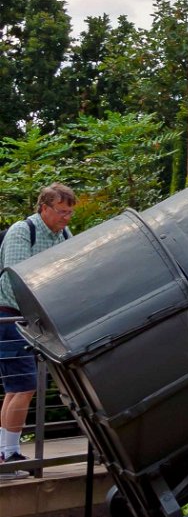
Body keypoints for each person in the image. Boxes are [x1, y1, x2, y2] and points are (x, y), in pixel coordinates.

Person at [0, 183, 76, 475]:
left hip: (33, 319)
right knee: (23, 386)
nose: (66, 219)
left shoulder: (64, 235)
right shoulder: (23, 231)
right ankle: (10, 455)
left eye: (69, 213)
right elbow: (18, 278)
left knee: (16, 389)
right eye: (60, 212)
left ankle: (6, 454)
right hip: (11, 316)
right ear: (43, 208)